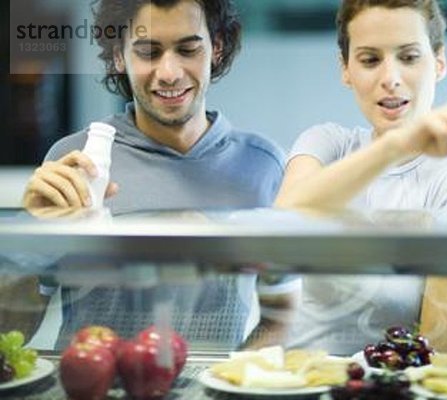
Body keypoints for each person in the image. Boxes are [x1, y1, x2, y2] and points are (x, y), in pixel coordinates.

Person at [20, 0, 296, 350]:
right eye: (148, 52)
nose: (169, 72)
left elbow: (281, 315)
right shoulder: (74, 163)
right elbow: (10, 332)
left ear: (217, 48)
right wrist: (35, 242)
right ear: (119, 56)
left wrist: (230, 381)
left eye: (188, 49)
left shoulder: (263, 165)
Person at [275, 0, 447, 353]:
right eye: (370, 60)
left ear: (439, 62)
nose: (390, 78)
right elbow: (279, 225)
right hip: (307, 381)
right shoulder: (326, 143)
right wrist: (395, 146)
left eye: (409, 57)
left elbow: (439, 353)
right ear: (345, 69)